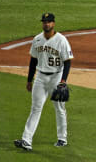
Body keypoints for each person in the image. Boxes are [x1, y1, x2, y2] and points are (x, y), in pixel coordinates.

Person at [14, 13, 74, 151]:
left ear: (53, 23)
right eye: (44, 22)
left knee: (59, 108)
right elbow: (33, 60)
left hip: (56, 77)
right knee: (35, 108)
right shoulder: (37, 39)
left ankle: (62, 139)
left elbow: (67, 62)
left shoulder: (61, 40)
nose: (46, 24)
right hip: (40, 77)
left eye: (49, 22)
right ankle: (26, 140)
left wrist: (63, 80)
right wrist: (29, 80)